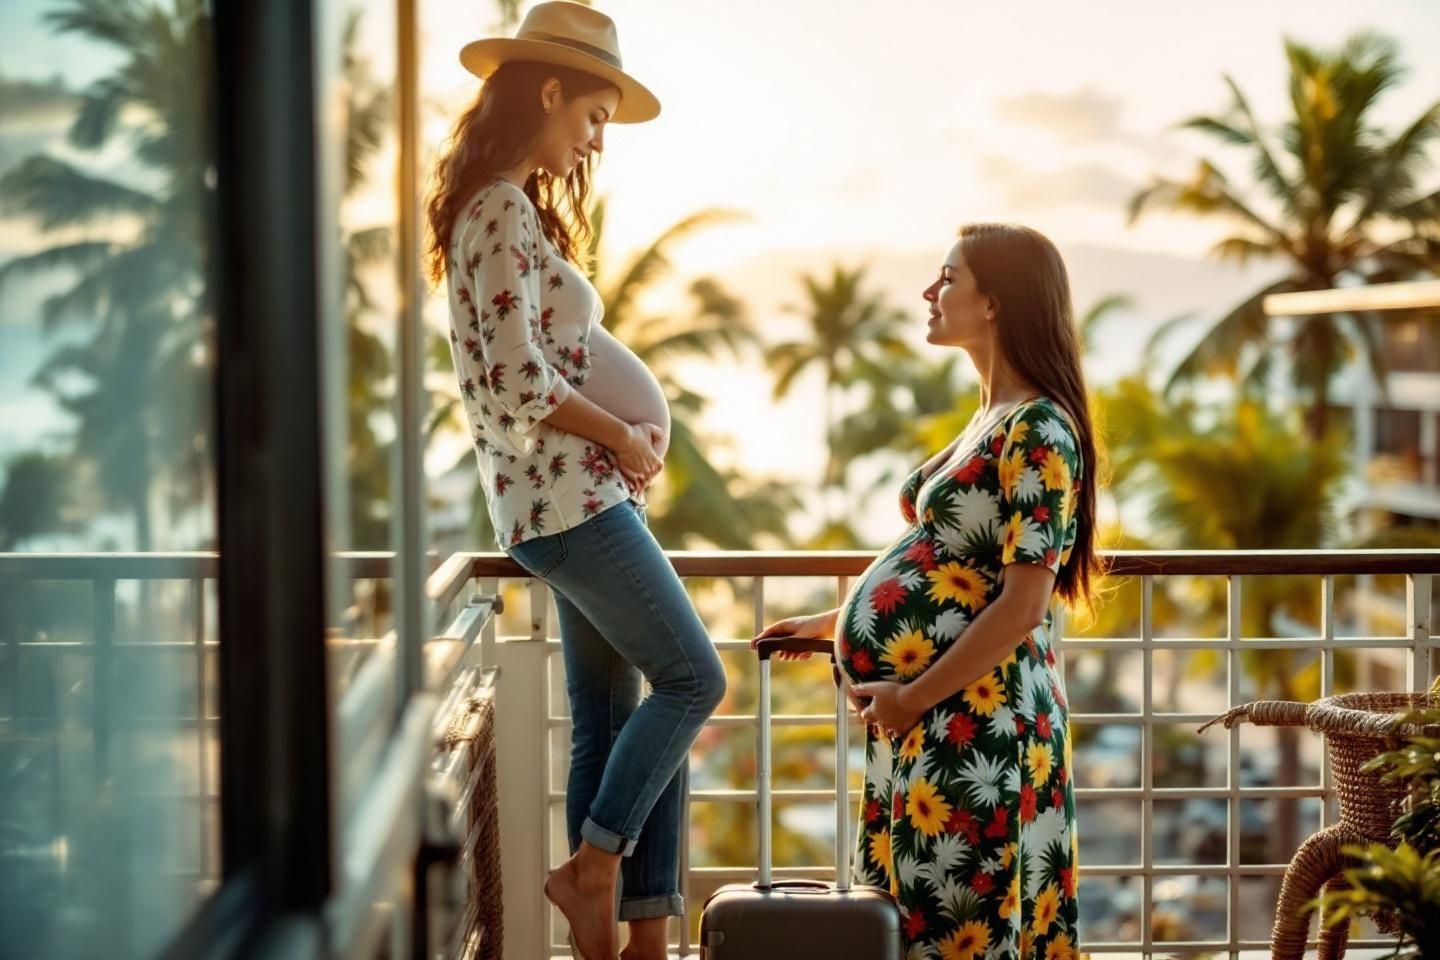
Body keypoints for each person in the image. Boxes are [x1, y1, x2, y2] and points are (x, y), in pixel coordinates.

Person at [427, 5, 724, 957]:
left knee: (612, 719)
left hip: (562, 504)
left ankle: (632, 942)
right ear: (549, 91)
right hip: (572, 501)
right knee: (693, 680)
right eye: (594, 114)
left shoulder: (490, 204)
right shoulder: (502, 208)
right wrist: (625, 437)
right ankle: (595, 871)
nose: (598, 138)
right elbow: (519, 380)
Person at [754, 223, 1105, 958]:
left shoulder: (1039, 428)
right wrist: (836, 623)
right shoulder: (990, 416)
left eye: (948, 278)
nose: (928, 291)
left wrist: (911, 696)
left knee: (960, 931)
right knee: (914, 924)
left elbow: (1022, 605)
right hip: (931, 724)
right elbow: (957, 573)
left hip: (977, 727)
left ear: (995, 304)